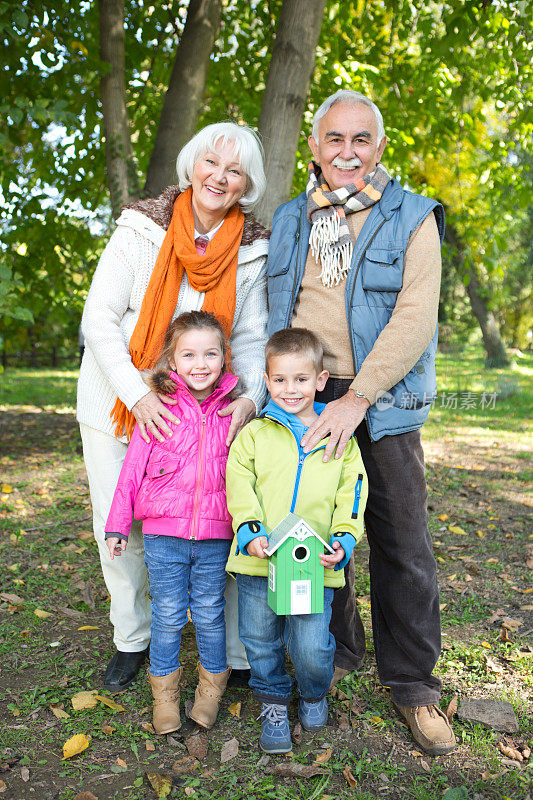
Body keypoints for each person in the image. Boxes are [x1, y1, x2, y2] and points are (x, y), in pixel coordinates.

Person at [265, 90, 456, 756]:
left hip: (382, 400)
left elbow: (412, 318)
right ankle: (334, 656)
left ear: (379, 146)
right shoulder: (290, 218)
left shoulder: (410, 216)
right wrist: (283, 400)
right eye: (334, 139)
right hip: (306, 399)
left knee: (402, 545)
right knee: (317, 538)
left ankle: (413, 688)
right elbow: (275, 312)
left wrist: (357, 398)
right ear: (314, 149)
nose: (347, 152)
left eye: (360, 139)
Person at [77, 122, 269, 693]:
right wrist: (137, 396)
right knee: (122, 527)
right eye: (212, 163)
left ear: (246, 184)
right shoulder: (141, 229)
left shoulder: (253, 248)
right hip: (120, 402)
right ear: (191, 166)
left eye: (234, 171)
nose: (220, 176)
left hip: (210, 417)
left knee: (223, 522)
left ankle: (232, 653)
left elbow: (254, 338)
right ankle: (131, 638)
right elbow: (100, 318)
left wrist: (251, 400)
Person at [225, 328, 368, 753]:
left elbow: (353, 491)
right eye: (281, 380)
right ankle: (272, 700)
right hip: (259, 562)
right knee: (259, 638)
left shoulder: (337, 437)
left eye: (301, 380)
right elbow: (238, 482)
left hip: (313, 564)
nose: (291, 389)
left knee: (311, 644)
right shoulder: (254, 434)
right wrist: (249, 529)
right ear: (267, 381)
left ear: (320, 381)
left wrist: (344, 538)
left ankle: (312, 692)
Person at [105, 311, 237, 734]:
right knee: (167, 614)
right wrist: (116, 526)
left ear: (224, 357)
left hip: (217, 536)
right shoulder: (158, 410)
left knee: (210, 614)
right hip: (164, 536)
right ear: (173, 361)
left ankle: (210, 691)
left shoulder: (233, 413)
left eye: (210, 353)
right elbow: (130, 474)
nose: (201, 364)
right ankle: (164, 696)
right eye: (189, 355)